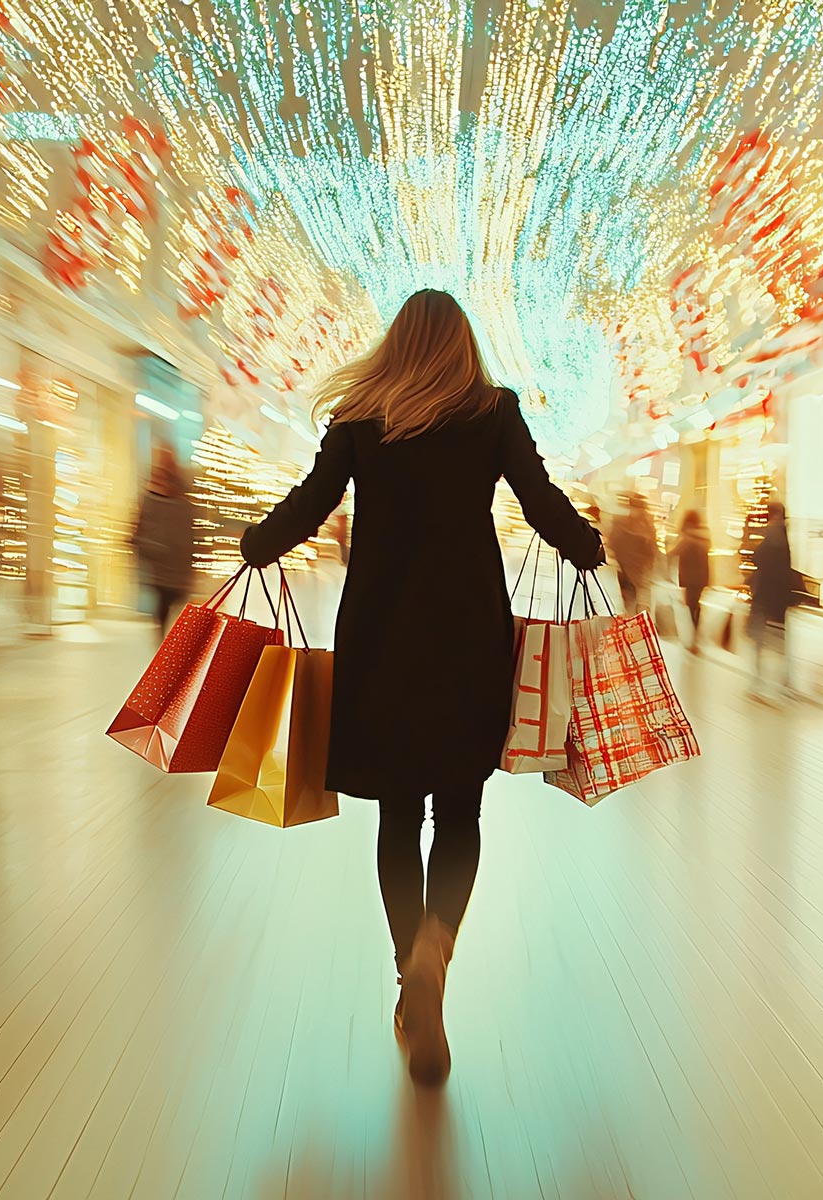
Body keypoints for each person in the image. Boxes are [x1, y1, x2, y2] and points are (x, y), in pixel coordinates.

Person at [240, 289, 603, 1086]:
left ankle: (411, 966)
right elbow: (539, 500)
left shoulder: (362, 419)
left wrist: (258, 544)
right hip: (468, 636)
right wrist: (587, 546)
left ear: (397, 346)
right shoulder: (493, 412)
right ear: (463, 346)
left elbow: (311, 504)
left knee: (399, 813)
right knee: (461, 812)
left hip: (380, 638)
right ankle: (439, 945)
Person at [133, 443, 197, 641]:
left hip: (175, 568)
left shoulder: (179, 498)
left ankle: (169, 651)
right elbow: (139, 529)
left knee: (170, 611)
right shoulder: (154, 495)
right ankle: (167, 653)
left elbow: (189, 532)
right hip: (163, 568)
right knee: (164, 612)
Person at [749, 499, 794, 699]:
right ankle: (784, 682)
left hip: (765, 594)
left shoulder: (772, 534)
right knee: (780, 640)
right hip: (779, 595)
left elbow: (759, 558)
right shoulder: (784, 534)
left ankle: (760, 683)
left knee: (759, 639)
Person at [667, 509, 711, 654]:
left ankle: (693, 641)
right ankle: (695, 638)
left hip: (690, 578)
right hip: (702, 577)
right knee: (695, 606)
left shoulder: (687, 538)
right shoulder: (704, 536)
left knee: (691, 607)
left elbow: (673, 553)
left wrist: (669, 544)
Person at [606, 492, 657, 615]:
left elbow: (612, 544)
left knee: (628, 609)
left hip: (628, 575)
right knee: (637, 609)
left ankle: (630, 628)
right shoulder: (647, 527)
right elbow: (652, 552)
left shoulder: (622, 523)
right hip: (636, 575)